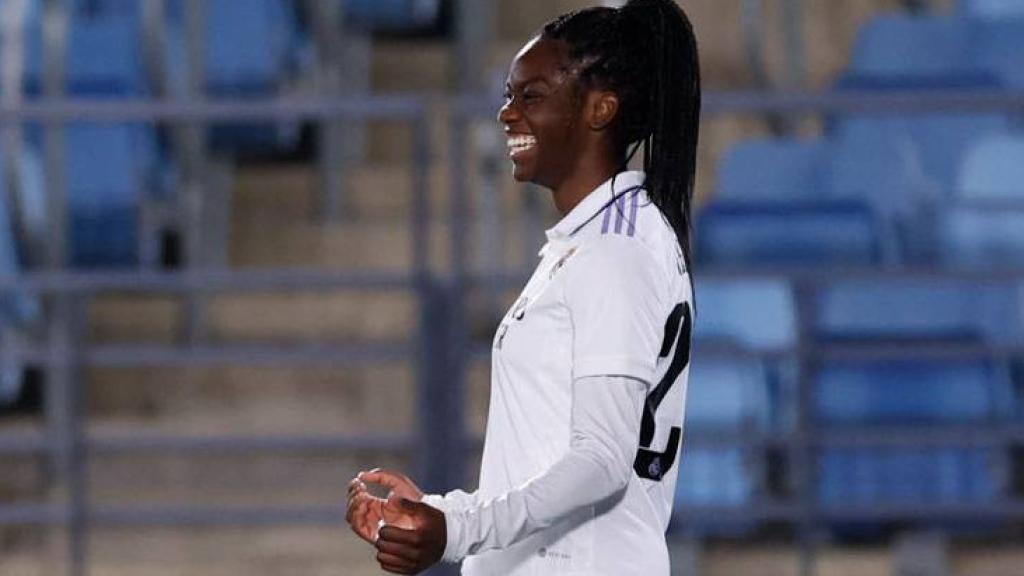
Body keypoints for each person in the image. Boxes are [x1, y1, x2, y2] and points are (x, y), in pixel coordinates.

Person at [347, 0, 700, 573]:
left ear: (600, 110)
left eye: (530, 96)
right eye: (509, 96)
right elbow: (547, 453)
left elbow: (601, 460)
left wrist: (459, 529)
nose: (508, 114)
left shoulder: (615, 248)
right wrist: (440, 511)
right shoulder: (594, 239)